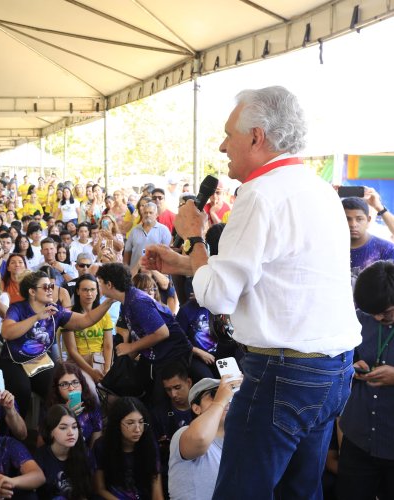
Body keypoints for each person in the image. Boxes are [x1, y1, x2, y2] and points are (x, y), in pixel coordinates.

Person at [143, 86, 360, 498]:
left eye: (229, 135)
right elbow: (277, 273)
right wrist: (188, 264)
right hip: (331, 371)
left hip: (282, 374)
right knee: (300, 491)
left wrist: (195, 238)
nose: (223, 146)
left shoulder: (259, 194)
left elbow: (219, 297)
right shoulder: (316, 188)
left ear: (257, 137)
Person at [0, 271, 115, 417]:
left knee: (58, 387)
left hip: (39, 361)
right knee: (22, 389)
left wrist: (109, 301)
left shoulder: (55, 311)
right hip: (13, 361)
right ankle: (18, 433)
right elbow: (7, 332)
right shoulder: (17, 308)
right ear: (32, 291)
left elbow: (86, 320)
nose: (51, 289)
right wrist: (37, 316)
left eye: (52, 286)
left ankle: (54, 426)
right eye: (45, 287)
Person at [337, 260, 394, 499]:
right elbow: (341, 359)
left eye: (387, 312)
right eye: (373, 313)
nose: (379, 318)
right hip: (358, 435)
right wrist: (352, 366)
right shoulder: (360, 319)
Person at [168, 376, 237, 500]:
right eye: (214, 394)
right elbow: (199, 438)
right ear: (196, 408)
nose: (227, 399)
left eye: (230, 395)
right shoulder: (183, 432)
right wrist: (220, 401)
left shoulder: (237, 445)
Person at [93, 397, 163, 499]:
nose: (138, 429)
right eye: (130, 423)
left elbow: (156, 489)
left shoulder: (149, 444)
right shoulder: (102, 446)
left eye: (141, 422)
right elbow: (99, 488)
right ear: (117, 424)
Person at [61, 274, 113, 385]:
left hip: (100, 359)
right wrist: (91, 371)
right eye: (85, 290)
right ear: (78, 291)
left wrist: (107, 369)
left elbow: (108, 346)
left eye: (92, 289)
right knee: (89, 388)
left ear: (97, 291)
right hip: (78, 362)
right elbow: (72, 351)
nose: (89, 294)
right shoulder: (69, 315)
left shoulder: (104, 314)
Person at [34, 404, 94, 499]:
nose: (71, 433)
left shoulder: (85, 453)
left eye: (74, 427)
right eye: (63, 428)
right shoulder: (40, 457)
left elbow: (86, 493)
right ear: (51, 432)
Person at [44, 362, 103, 448]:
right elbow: (43, 443)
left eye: (75, 382)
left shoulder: (91, 405)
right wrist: (64, 414)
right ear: (57, 388)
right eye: (64, 384)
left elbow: (96, 442)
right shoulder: (50, 408)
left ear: (81, 384)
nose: (71, 388)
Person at [343, 196, 394, 285]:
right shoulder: (328, 248)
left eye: (359, 219)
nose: (353, 224)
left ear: (368, 220)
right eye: (347, 219)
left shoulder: (386, 249)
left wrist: (380, 208)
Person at [123, 199, 171, 272]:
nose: (148, 215)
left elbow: (167, 254)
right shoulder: (134, 230)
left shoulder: (164, 230)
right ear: (142, 214)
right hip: (135, 274)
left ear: (156, 215)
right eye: (145, 213)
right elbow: (127, 252)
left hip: (156, 274)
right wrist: (126, 272)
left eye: (151, 213)